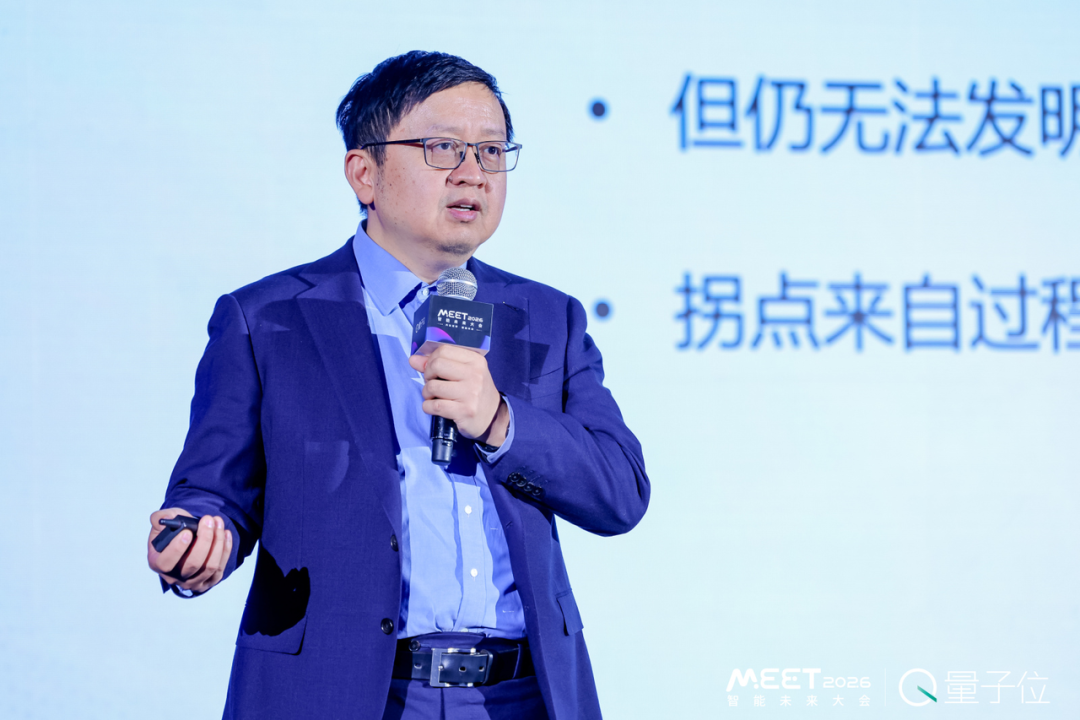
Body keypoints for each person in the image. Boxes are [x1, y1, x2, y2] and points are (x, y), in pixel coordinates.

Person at [145, 51, 650, 720]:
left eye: (492, 151)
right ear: (365, 173)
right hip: (343, 695)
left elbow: (620, 491)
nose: (473, 172)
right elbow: (214, 494)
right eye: (443, 148)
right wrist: (198, 540)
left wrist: (499, 422)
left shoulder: (547, 318)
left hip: (519, 696)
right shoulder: (266, 319)